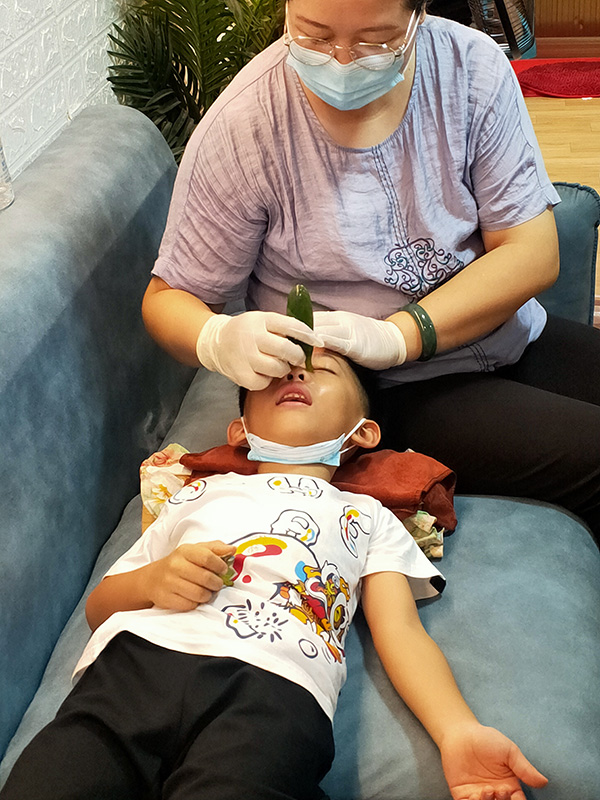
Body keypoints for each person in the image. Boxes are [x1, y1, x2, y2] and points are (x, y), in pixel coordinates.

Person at [0, 350, 548, 800]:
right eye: (276, 373)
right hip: (131, 670)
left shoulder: (370, 516)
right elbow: (100, 606)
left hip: (277, 692)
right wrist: (152, 581)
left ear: (364, 434)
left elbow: (400, 632)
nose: (296, 374)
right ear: (240, 430)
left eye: (322, 369)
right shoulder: (196, 492)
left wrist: (457, 730)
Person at [141, 0, 600, 537]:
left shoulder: (471, 70)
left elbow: (531, 251)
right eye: (314, 36)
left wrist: (399, 334)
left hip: (505, 335)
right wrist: (216, 337)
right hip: (381, 392)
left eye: (375, 41)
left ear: (418, 16)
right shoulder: (245, 126)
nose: (341, 60)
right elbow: (168, 299)